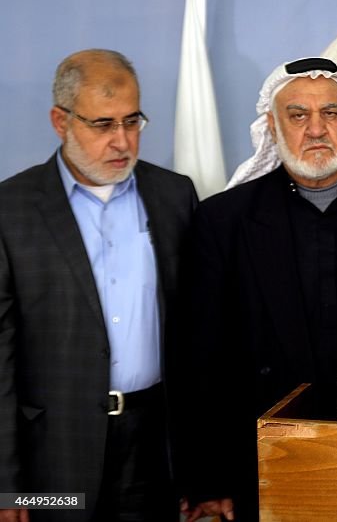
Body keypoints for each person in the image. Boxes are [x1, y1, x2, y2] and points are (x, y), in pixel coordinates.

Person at [172, 57, 337, 522]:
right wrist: (211, 478)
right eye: (298, 115)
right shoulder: (223, 222)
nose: (317, 129)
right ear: (272, 127)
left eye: (330, 113)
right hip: (261, 462)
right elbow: (201, 358)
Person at [0, 49, 197, 521]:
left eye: (132, 122)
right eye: (103, 125)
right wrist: (9, 491)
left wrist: (198, 470)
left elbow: (198, 338)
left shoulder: (174, 197)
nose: (122, 141)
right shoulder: (11, 210)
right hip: (53, 459)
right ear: (60, 120)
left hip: (155, 447)